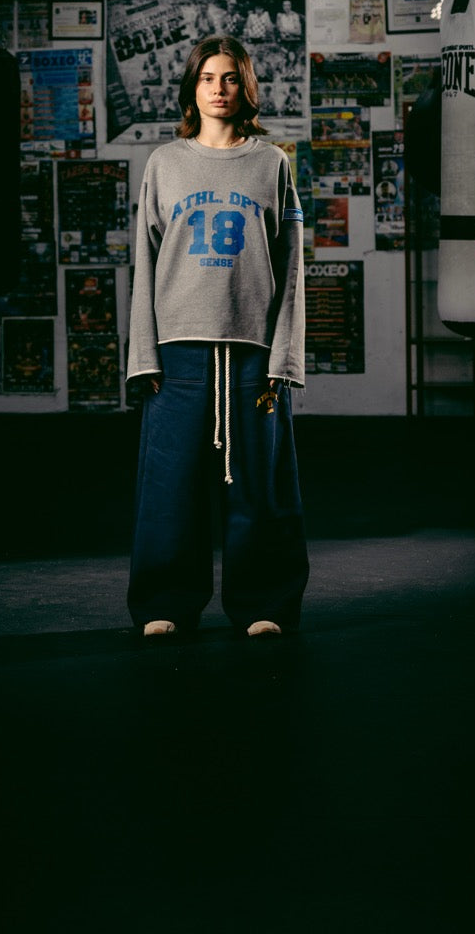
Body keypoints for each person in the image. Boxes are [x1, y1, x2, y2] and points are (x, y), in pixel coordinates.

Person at [126, 34, 309, 639]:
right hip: (178, 350)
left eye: (230, 78)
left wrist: (285, 357)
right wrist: (142, 355)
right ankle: (165, 602)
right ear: (192, 88)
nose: (219, 89)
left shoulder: (271, 164)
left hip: (253, 351)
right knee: (170, 485)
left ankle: (265, 601)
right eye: (208, 78)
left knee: (259, 485)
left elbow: (292, 266)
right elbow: (144, 266)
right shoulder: (165, 164)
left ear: (245, 87)